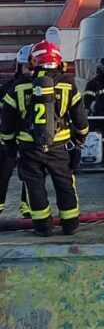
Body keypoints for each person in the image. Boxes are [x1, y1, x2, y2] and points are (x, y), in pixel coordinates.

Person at [0, 41, 88, 236]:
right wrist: (80, 138)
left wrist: (9, 146)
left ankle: (43, 227)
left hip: (29, 148)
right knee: (64, 183)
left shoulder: (18, 87)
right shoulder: (68, 85)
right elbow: (80, 119)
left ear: (34, 62)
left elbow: (6, 124)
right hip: (59, 147)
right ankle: (70, 224)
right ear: (59, 61)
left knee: (34, 185)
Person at [0, 45, 32, 217]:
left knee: (30, 176)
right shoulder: (7, 88)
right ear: (19, 67)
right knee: (2, 175)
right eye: (26, 67)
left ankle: (28, 209)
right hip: (7, 140)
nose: (29, 71)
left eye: (31, 67)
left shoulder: (40, 86)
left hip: (28, 140)